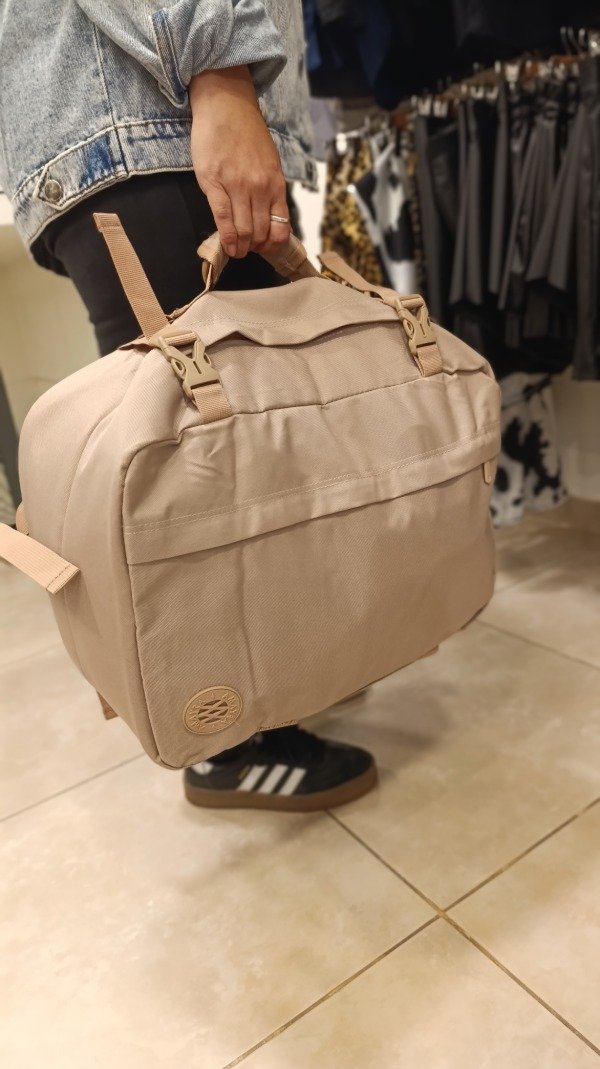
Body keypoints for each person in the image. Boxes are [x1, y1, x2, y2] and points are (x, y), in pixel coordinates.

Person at [0, 0, 376, 811]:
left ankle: (274, 680)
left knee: (240, 446)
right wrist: (219, 70)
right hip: (151, 109)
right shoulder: (200, 77)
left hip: (134, 115)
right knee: (203, 471)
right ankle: (229, 740)